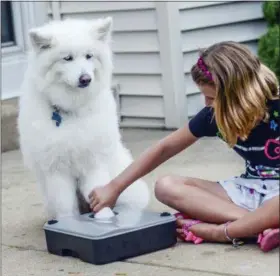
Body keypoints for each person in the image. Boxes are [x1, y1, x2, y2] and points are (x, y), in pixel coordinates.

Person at [89, 41, 280, 252]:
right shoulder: (215, 115)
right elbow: (164, 148)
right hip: (250, 190)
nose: (207, 104)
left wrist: (218, 230)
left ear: (237, 92)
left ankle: (225, 231)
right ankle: (258, 226)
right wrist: (114, 187)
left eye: (211, 97)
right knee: (166, 186)